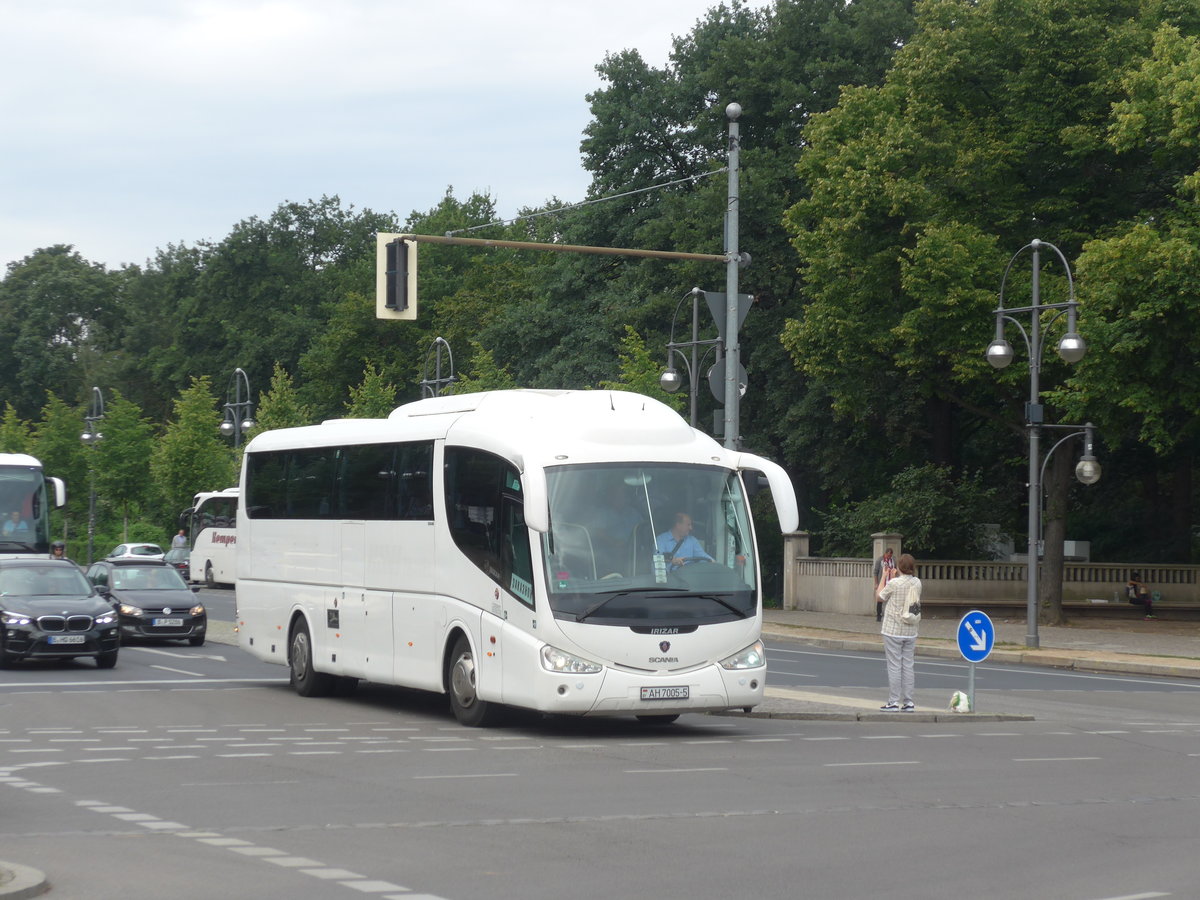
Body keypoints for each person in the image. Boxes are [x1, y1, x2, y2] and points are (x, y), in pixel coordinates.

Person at [878, 553, 921, 711]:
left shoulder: (894, 583)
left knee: (894, 666)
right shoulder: (917, 582)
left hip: (893, 629)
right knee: (908, 666)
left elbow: (879, 596)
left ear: (899, 567)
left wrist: (884, 576)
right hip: (910, 629)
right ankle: (909, 702)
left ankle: (893, 701)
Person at [873, 548, 897, 622]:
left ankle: (890, 615)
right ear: (886, 553)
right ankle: (878, 615)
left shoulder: (893, 560)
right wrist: (876, 583)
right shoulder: (880, 560)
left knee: (892, 599)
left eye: (891, 555)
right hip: (882, 582)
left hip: (891, 582)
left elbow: (895, 569)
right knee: (880, 599)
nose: (890, 556)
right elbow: (875, 572)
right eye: (889, 555)